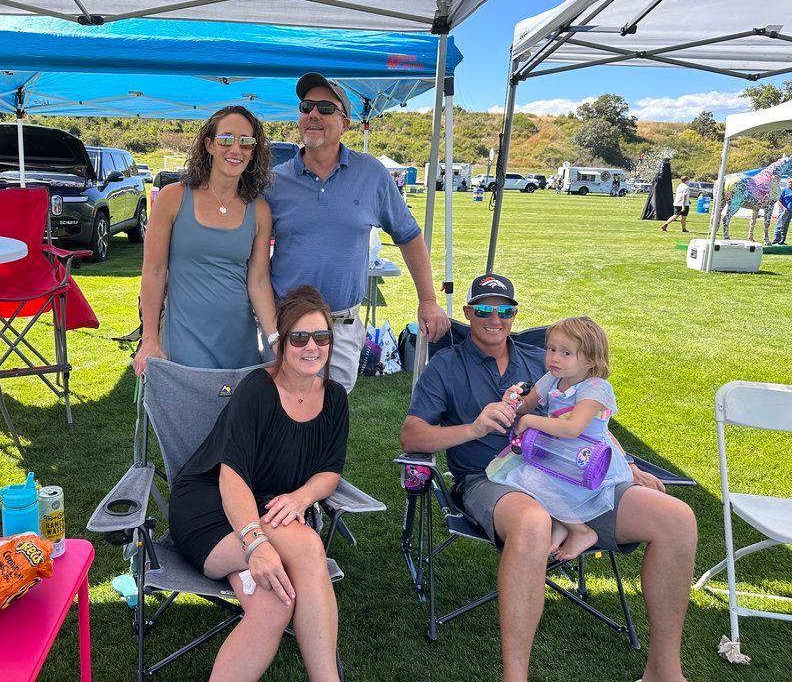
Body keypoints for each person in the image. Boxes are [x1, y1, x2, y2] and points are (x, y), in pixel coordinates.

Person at [400, 273, 697, 682]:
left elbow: (589, 420)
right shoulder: (446, 366)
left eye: (504, 310)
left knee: (677, 519)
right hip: (491, 479)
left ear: (514, 314)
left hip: (571, 472)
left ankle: (664, 671)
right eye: (483, 310)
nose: (494, 319)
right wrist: (475, 428)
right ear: (468, 314)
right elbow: (412, 434)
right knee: (534, 521)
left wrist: (627, 465)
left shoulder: (542, 360)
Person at [168, 285, 347, 682]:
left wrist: (302, 497)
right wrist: (257, 544)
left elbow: (330, 471)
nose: (311, 347)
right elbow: (230, 474)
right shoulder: (258, 390)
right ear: (281, 343)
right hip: (209, 509)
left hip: (263, 510)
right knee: (305, 545)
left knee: (274, 602)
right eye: (299, 337)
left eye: (321, 337)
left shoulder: (334, 399)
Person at [265, 72, 449, 392]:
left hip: (340, 329)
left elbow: (408, 235)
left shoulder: (372, 174)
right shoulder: (275, 182)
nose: (313, 114)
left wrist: (428, 300)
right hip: (286, 326)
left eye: (325, 108)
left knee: (329, 423)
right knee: (278, 421)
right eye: (306, 106)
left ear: (346, 123)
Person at [135, 106, 278, 374]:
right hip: (183, 344)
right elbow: (153, 272)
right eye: (226, 139)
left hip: (240, 346)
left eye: (246, 142)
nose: (236, 149)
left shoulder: (259, 211)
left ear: (254, 152)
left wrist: (275, 341)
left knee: (239, 416)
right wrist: (150, 339)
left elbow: (258, 282)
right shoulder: (172, 198)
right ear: (209, 145)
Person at [486, 316, 633, 561]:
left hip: (589, 461)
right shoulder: (553, 378)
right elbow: (527, 404)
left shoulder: (596, 388)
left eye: (566, 353)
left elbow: (573, 428)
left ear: (589, 360)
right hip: (559, 453)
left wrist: (530, 421)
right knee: (522, 477)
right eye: (551, 349)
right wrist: (513, 400)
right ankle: (562, 524)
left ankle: (582, 531)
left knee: (529, 478)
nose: (554, 358)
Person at [773, 177, 792, 245]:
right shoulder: (784, 190)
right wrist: (784, 208)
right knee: (780, 225)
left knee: (785, 227)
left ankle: (782, 241)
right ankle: (776, 240)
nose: (791, 183)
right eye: (789, 182)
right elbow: (778, 201)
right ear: (787, 183)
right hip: (784, 210)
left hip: (790, 211)